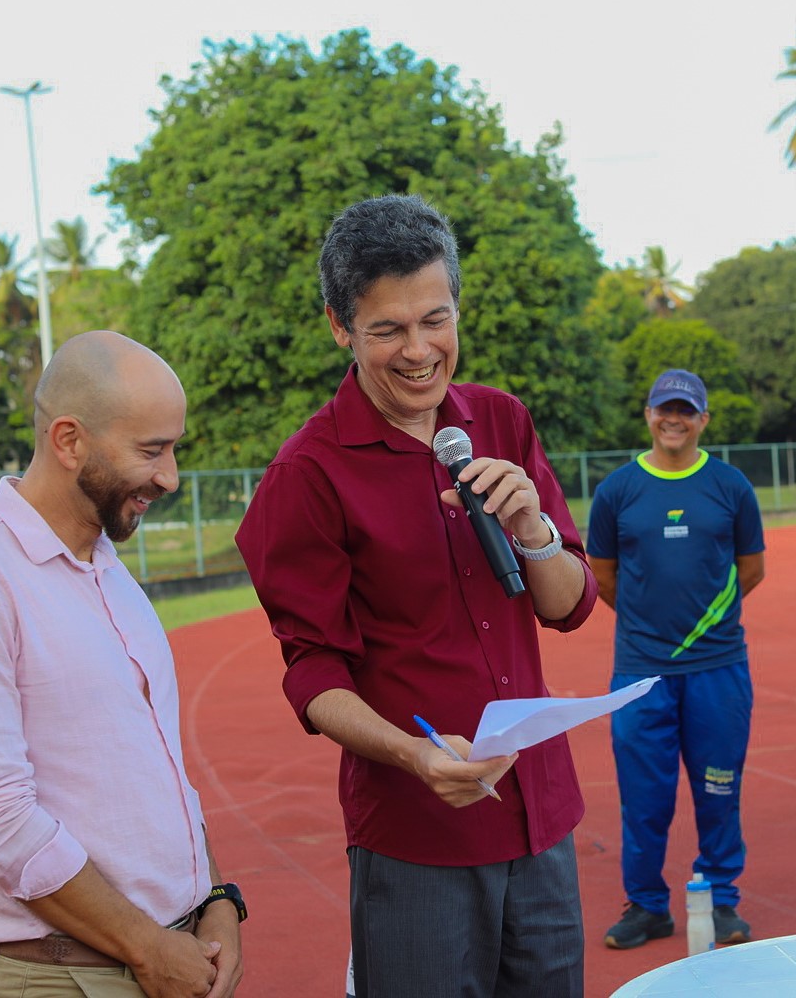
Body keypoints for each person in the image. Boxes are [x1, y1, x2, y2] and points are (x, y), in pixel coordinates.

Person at [234, 194, 596, 997]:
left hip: (540, 815)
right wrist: (413, 756)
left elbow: (569, 604)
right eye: (386, 330)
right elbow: (313, 672)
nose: (418, 351)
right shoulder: (308, 475)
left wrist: (534, 528)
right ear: (339, 326)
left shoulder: (500, 421)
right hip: (418, 834)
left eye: (434, 320)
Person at [0, 330, 245, 997]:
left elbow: (156, 768)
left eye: (174, 448)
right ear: (69, 440)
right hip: (68, 976)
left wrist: (215, 895)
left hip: (165, 954)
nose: (169, 477)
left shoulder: (106, 569)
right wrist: (146, 948)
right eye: (151, 450)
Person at [586, 369, 765, 950]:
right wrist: (651, 628)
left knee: (718, 791)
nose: (674, 419)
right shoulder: (617, 491)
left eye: (686, 411)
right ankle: (646, 906)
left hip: (718, 671)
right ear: (648, 414)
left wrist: (705, 627)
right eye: (665, 408)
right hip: (641, 674)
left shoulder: (730, 485)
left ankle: (722, 902)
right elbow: (604, 577)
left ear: (703, 420)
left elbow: (752, 569)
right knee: (644, 799)